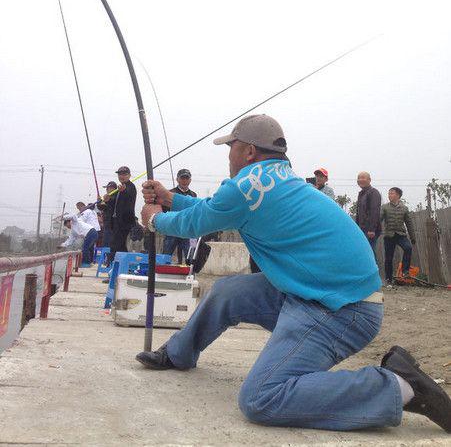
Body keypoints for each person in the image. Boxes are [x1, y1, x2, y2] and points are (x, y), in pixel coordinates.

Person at [135, 114, 450, 433]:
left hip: (343, 310)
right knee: (226, 292)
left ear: (249, 152)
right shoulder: (277, 179)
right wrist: (170, 198)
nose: (228, 155)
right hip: (316, 291)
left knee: (261, 397)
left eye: (230, 147)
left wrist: (153, 219)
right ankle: (179, 354)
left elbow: (198, 221)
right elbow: (214, 208)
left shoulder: (245, 186)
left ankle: (399, 386)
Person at [380, 187, 416, 285]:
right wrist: (374, 230)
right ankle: (388, 279)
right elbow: (379, 219)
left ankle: (405, 271)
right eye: (389, 193)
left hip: (400, 234)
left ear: (398, 195)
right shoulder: (384, 207)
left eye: (391, 193)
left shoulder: (404, 208)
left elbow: (409, 223)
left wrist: (413, 237)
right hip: (389, 235)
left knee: (408, 248)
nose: (389, 195)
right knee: (388, 258)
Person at [162, 169, 197, 264]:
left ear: (190, 180)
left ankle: (190, 276)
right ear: (177, 179)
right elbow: (163, 210)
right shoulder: (170, 193)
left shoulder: (193, 195)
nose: (184, 180)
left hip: (187, 231)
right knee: (165, 257)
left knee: (190, 257)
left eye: (187, 178)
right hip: (172, 230)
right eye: (182, 178)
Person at [104, 166, 136, 264]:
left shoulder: (130, 187)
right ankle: (121, 269)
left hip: (124, 222)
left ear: (129, 175)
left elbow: (129, 196)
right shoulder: (119, 189)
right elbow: (114, 204)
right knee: (120, 246)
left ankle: (113, 269)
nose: (121, 176)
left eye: (124, 174)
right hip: (116, 222)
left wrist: (124, 191)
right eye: (120, 174)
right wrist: (108, 200)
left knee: (115, 245)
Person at [356, 171, 381, 254]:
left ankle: (375, 267)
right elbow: (359, 214)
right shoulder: (361, 194)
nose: (360, 180)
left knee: (370, 253)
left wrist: (372, 229)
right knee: (364, 253)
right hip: (362, 229)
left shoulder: (374, 192)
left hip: (370, 230)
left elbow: (375, 211)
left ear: (369, 180)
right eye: (359, 178)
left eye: (363, 177)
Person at [96, 181, 117, 248]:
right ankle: (107, 257)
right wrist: (99, 202)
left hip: (113, 224)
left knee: (109, 243)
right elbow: (102, 207)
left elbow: (113, 204)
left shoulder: (116, 196)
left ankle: (109, 257)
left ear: (113, 188)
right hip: (107, 224)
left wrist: (107, 200)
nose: (107, 190)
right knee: (105, 242)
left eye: (108, 188)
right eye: (106, 188)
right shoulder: (107, 197)